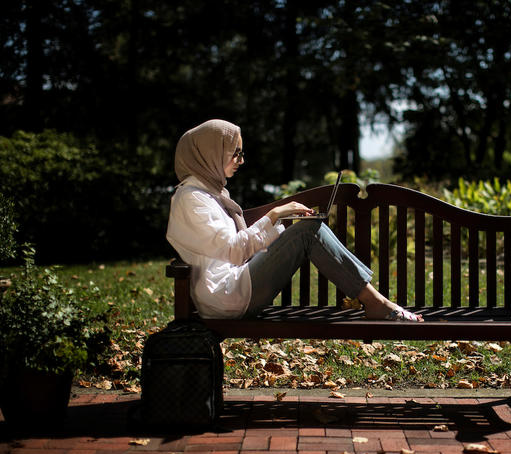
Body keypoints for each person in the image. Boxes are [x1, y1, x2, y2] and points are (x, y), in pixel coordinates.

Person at [166, 119, 423, 322]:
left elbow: (233, 248)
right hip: (226, 295)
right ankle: (375, 302)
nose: (241, 161)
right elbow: (233, 251)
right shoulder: (191, 198)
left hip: (233, 285)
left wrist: (280, 222)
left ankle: (374, 301)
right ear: (211, 152)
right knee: (307, 231)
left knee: (306, 231)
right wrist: (275, 214)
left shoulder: (208, 194)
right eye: (235, 153)